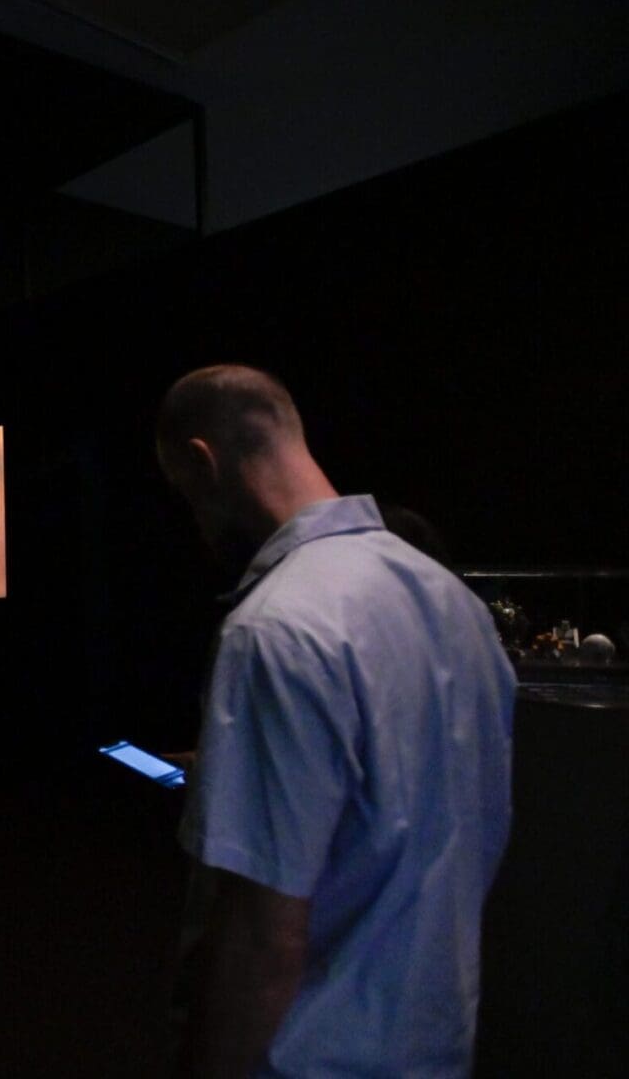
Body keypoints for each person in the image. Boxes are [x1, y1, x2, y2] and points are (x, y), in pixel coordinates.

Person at [155, 365, 515, 1078]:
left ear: (204, 463)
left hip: (312, 1058)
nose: (195, 524)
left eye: (185, 497)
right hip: (434, 1045)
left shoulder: (274, 628)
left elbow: (265, 937)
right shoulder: (454, 605)